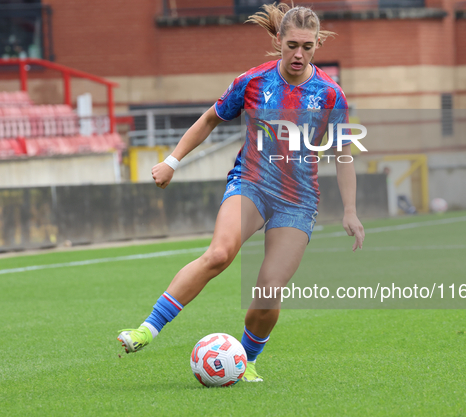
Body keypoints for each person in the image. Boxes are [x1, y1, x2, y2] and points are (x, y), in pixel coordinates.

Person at [117, 3, 365, 383]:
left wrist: (350, 210)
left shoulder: (331, 95)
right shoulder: (253, 81)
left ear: (317, 46)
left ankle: (245, 360)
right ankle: (146, 330)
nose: (299, 54)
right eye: (293, 45)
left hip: (297, 201)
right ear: (278, 40)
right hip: (251, 183)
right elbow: (211, 118)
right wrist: (172, 161)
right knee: (218, 254)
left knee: (269, 289)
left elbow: (343, 153)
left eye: (308, 47)